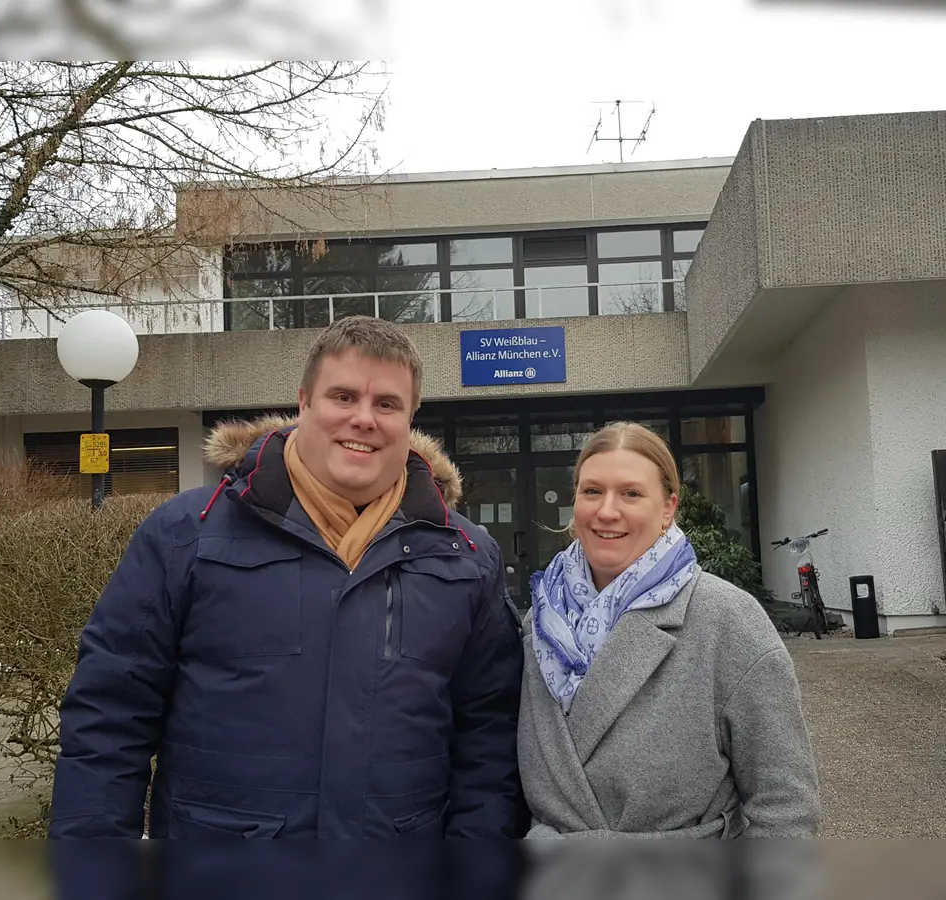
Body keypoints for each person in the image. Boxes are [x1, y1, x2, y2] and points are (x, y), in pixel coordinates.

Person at [48, 315, 528, 839]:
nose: (363, 419)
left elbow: (490, 737)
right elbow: (110, 717)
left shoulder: (465, 555)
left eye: (387, 404)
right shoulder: (188, 533)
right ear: (304, 403)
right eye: (342, 397)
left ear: (410, 418)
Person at [518, 422, 822, 839]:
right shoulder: (537, 626)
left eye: (631, 493)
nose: (607, 511)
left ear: (668, 508)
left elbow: (785, 807)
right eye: (592, 491)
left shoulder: (728, 620)